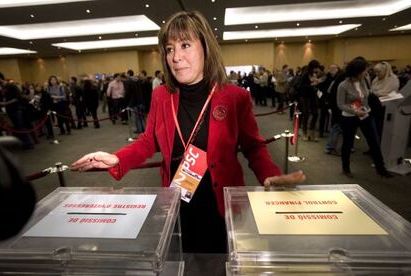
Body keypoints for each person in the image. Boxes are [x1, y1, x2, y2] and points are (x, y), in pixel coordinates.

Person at [71, 11, 305, 254]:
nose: (176, 57)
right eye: (169, 49)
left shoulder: (235, 97)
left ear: (205, 47)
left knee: (221, 261)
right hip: (178, 202)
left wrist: (269, 174)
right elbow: (148, 141)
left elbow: (253, 147)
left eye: (185, 45)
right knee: (183, 258)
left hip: (220, 204)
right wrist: (117, 158)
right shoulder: (162, 96)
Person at [336, 57, 392, 178]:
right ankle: (346, 168)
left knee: (374, 142)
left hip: (366, 115)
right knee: (348, 143)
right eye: (364, 71)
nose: (367, 73)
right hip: (349, 117)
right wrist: (355, 112)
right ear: (356, 72)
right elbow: (340, 104)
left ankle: (380, 168)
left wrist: (365, 109)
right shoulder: (343, 85)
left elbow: (366, 96)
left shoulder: (364, 80)